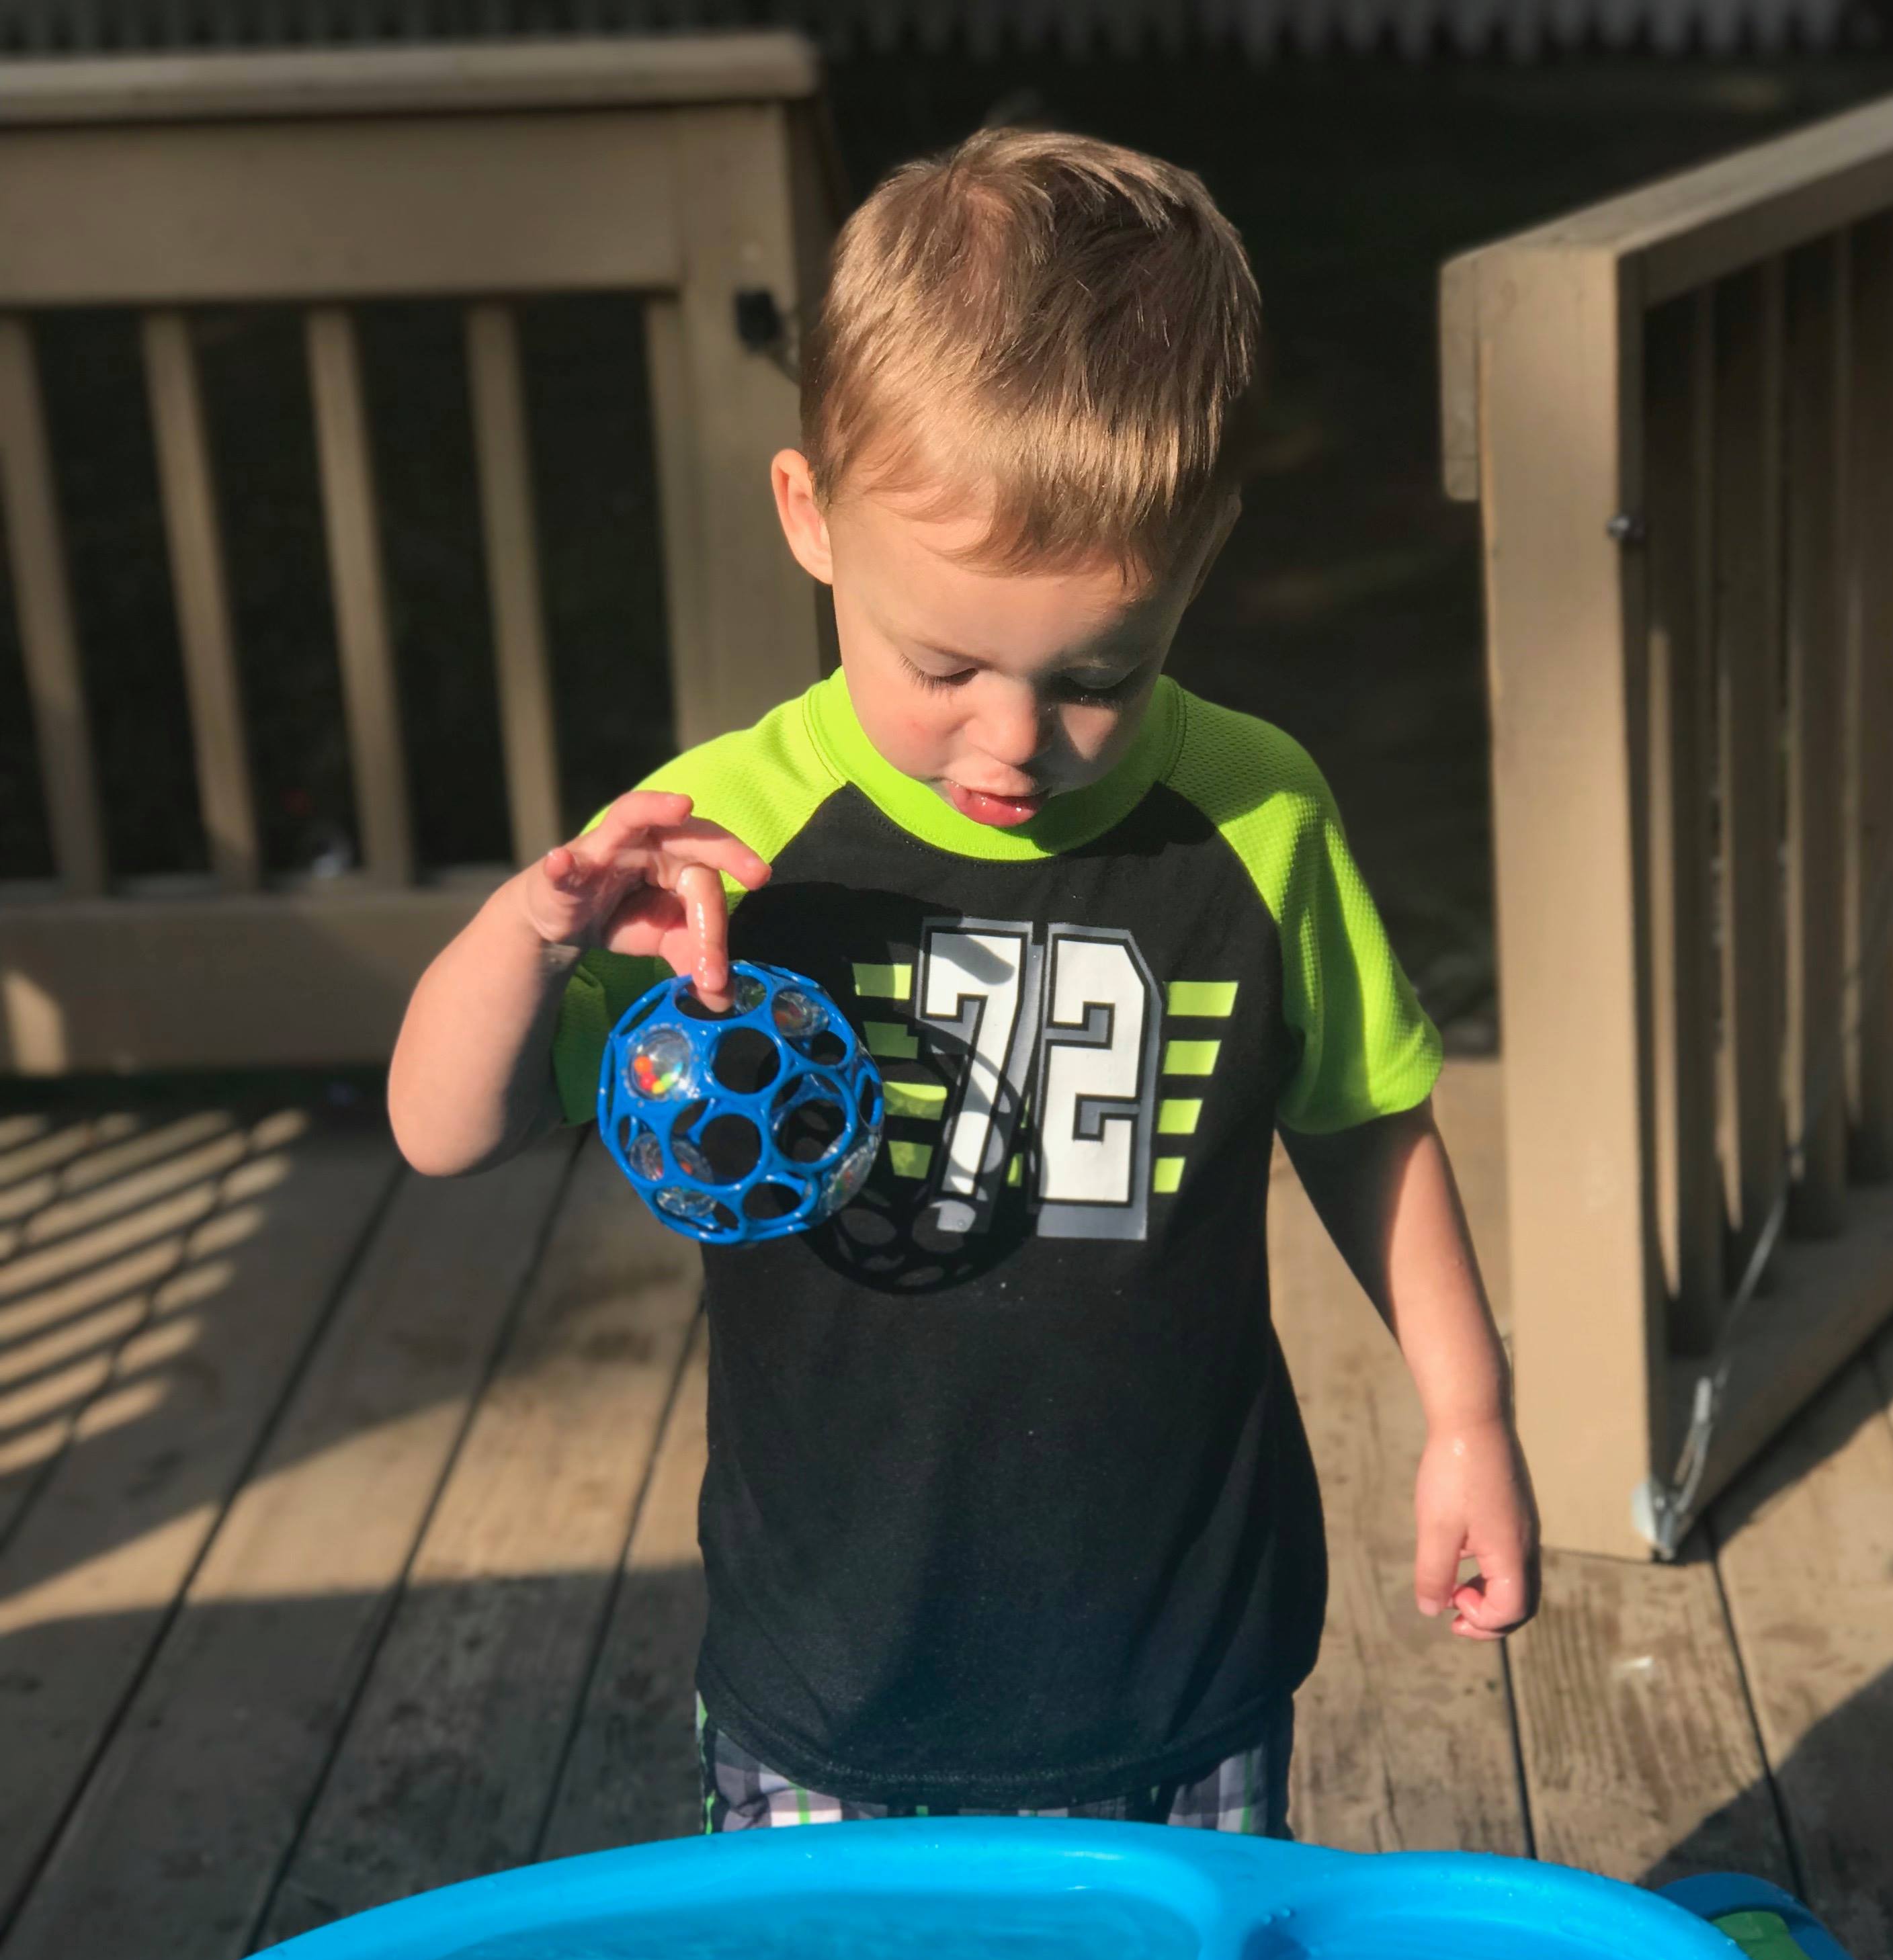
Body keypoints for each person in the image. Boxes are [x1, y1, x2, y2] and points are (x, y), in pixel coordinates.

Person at [388, 126, 1538, 1837]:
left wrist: (1467, 1413)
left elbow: (1367, 1125)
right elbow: (436, 1128)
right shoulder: (737, 838)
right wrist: (528, 938)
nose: (1013, 743)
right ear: (813, 520)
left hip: (1179, 1658)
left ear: (1199, 558)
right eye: (945, 664)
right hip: (833, 1670)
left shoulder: (1256, 813)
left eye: (1097, 676)